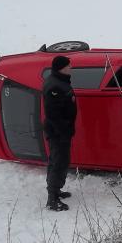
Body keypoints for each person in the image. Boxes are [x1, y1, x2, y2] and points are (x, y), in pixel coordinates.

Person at [42, 55, 77, 211]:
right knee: (59, 163)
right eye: (69, 65)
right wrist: (64, 132)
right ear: (61, 68)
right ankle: (52, 200)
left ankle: (55, 190)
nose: (71, 67)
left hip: (61, 131)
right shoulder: (55, 87)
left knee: (57, 160)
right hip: (58, 133)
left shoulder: (59, 80)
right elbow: (53, 114)